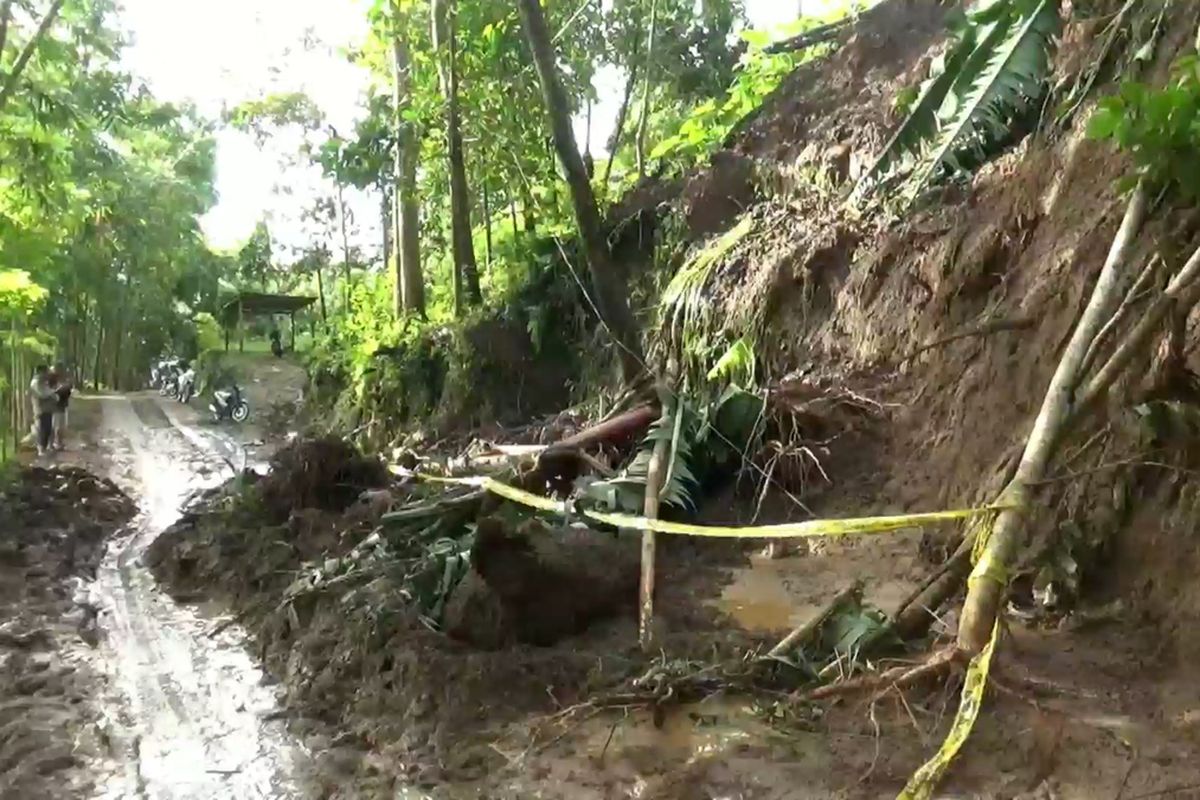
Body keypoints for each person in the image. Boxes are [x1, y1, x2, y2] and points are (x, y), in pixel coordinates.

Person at [28, 365, 57, 457]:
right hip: (40, 409)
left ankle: (44, 447)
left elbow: (49, 392)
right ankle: (40, 449)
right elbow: (42, 394)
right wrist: (52, 394)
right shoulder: (36, 382)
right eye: (45, 372)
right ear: (40, 372)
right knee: (41, 428)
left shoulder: (43, 382)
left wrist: (52, 394)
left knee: (47, 428)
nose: (47, 374)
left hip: (47, 409)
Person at [51, 362, 72, 450]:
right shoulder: (52, 380)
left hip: (62, 405)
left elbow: (67, 391)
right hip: (56, 406)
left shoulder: (63, 380)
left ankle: (59, 442)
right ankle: (56, 442)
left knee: (61, 425)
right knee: (57, 425)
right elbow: (52, 392)